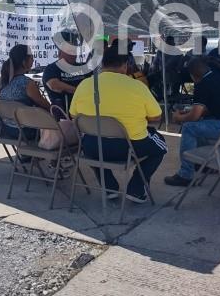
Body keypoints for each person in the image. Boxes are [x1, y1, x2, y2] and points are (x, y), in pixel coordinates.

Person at [70, 44, 166, 203]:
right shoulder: (137, 86)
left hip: (92, 147)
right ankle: (136, 189)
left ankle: (109, 187)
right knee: (161, 146)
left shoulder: (85, 84)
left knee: (95, 146)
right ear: (125, 64)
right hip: (128, 148)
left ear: (102, 64)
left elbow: (74, 115)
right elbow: (156, 116)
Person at [164, 57, 220, 187]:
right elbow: (214, 107)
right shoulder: (219, 78)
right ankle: (204, 163)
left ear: (193, 75)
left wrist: (179, 118)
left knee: (189, 128)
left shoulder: (202, 85)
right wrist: (193, 113)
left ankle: (185, 175)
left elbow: (194, 116)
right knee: (201, 123)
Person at [0, 44, 50, 137]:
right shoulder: (27, 83)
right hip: (26, 131)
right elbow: (45, 105)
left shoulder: (4, 81)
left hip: (7, 129)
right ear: (24, 61)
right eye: (31, 57)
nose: (33, 60)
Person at [43, 32, 91, 112]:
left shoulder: (83, 67)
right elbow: (54, 85)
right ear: (60, 52)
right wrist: (78, 91)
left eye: (75, 51)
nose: (73, 54)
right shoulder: (52, 68)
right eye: (70, 51)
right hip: (65, 113)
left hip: (86, 108)